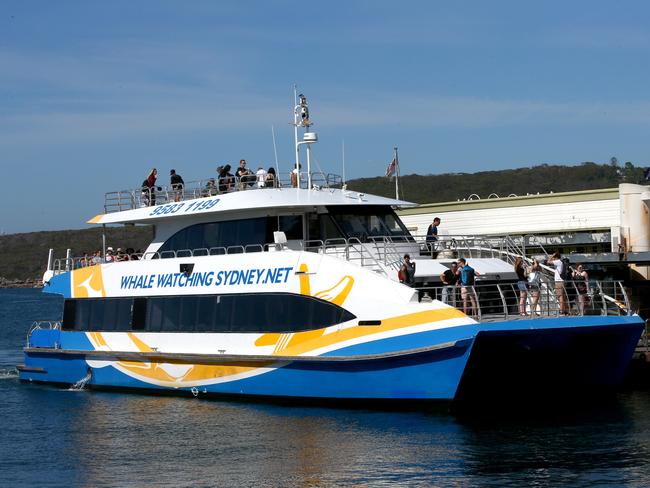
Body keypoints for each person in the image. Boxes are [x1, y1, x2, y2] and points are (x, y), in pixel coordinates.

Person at [547, 251, 568, 315]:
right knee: (563, 296)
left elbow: (548, 262)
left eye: (554, 257)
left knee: (560, 296)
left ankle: (561, 311)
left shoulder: (558, 261)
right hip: (562, 281)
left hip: (558, 281)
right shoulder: (561, 262)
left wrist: (552, 256)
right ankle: (564, 310)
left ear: (556, 257)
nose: (553, 259)